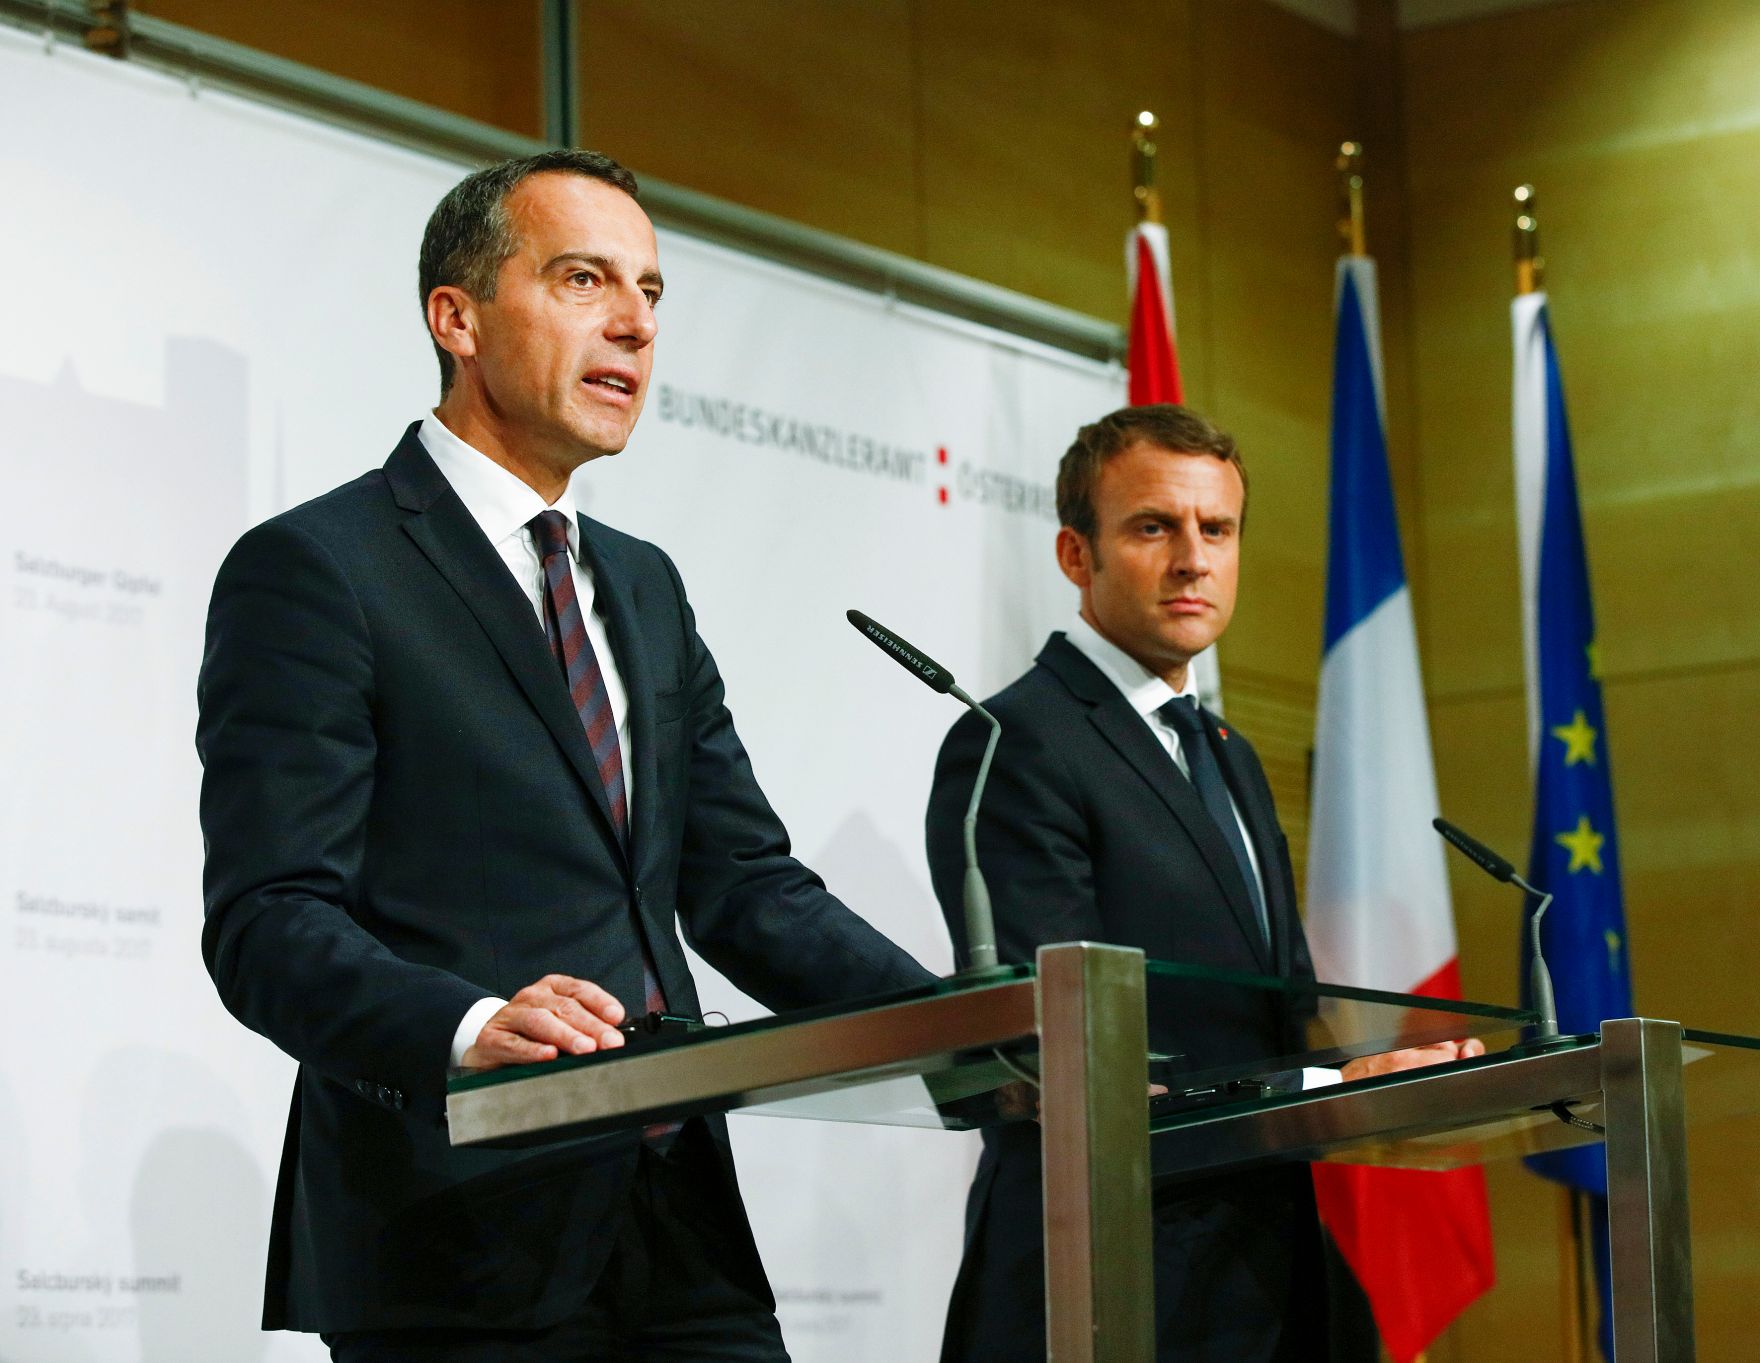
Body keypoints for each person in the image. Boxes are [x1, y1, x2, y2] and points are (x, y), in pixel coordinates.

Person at [197, 149, 934, 1362]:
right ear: (458, 318)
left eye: (650, 292)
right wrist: (470, 1025)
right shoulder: (322, 567)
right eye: (584, 280)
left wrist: (967, 1028)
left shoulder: (641, 586)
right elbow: (267, 922)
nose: (634, 325)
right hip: (457, 1237)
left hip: (679, 1231)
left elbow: (745, 885)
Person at [925, 404, 1477, 1362]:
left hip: (1266, 1267)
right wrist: (1328, 1085)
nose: (1193, 559)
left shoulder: (1229, 752)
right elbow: (1066, 1042)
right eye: (1154, 527)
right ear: (1075, 554)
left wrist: (1383, 1087)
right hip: (1109, 1268)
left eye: (1216, 529)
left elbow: (1275, 1011)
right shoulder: (1014, 742)